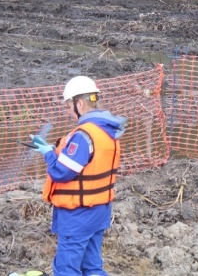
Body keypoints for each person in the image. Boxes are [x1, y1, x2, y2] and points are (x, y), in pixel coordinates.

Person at [31, 76, 127, 276]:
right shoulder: (108, 130)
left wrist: (49, 154)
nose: (68, 112)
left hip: (78, 215)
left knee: (66, 269)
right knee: (92, 267)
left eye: (68, 106)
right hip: (99, 210)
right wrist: (54, 149)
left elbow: (61, 172)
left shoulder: (84, 134)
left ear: (80, 104)